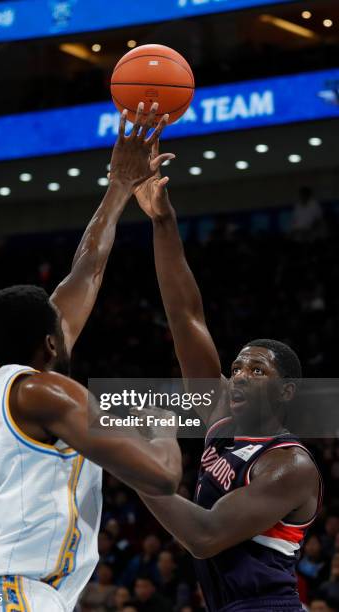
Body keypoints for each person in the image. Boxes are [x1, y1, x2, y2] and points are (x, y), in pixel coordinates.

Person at [0, 104, 182, 612]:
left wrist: (120, 186)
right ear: (50, 344)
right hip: (12, 596)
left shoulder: (2, 380)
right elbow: (162, 476)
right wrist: (161, 417)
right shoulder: (45, 392)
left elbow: (87, 272)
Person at [133, 143, 323, 612]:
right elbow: (185, 315)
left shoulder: (288, 466)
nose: (237, 375)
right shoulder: (220, 413)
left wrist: (131, 463)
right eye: (236, 366)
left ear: (285, 390)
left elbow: (204, 535)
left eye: (256, 370)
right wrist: (162, 222)